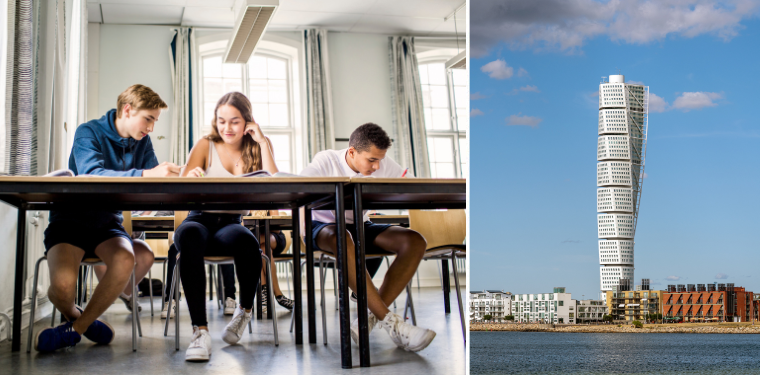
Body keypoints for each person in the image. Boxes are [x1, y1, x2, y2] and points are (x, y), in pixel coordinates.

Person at [36, 84, 176, 352]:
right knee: (63, 287)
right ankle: (84, 321)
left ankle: (75, 330)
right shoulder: (88, 132)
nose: (151, 128)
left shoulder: (142, 142)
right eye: (148, 119)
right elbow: (91, 173)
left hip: (107, 224)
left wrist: (179, 174)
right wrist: (149, 175)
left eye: (155, 121)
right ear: (127, 109)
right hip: (70, 221)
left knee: (126, 259)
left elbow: (154, 178)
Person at [300, 123, 435, 352]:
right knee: (341, 236)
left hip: (359, 226)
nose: (377, 166)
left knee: (414, 241)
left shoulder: (380, 164)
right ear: (352, 152)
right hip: (321, 227)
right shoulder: (326, 160)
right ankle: (393, 324)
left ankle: (367, 318)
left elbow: (411, 184)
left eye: (380, 160)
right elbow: (300, 190)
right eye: (371, 160)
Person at [176, 91, 278, 362]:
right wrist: (191, 177)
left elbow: (274, 185)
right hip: (198, 219)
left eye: (234, 121)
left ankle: (243, 312)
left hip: (231, 224)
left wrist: (264, 143)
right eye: (221, 121)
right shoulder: (204, 145)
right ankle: (200, 332)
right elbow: (179, 189)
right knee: (189, 237)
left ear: (248, 121)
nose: (227, 128)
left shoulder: (257, 147)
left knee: (248, 242)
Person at [220, 210, 293, 316]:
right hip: (256, 243)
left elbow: (277, 229)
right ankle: (277, 295)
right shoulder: (245, 205)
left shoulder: (269, 200)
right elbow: (238, 228)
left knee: (256, 243)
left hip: (273, 238)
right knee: (260, 248)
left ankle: (265, 293)